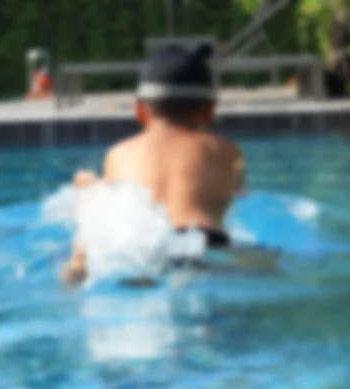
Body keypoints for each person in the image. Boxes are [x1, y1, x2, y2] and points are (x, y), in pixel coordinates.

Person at [60, 44, 246, 285]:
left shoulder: (118, 153)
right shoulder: (227, 152)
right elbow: (237, 195)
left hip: (142, 246)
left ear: (139, 110)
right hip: (204, 242)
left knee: (89, 208)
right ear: (211, 110)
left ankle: (74, 270)